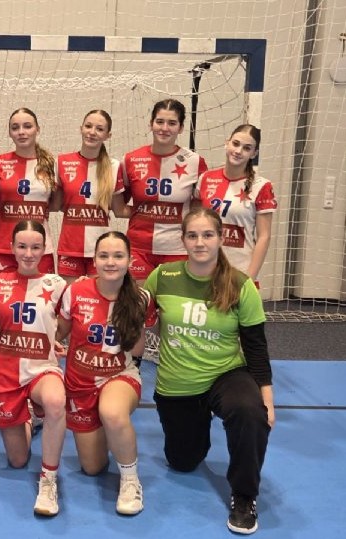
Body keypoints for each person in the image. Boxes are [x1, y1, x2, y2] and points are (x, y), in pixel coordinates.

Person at [143, 207, 274, 535]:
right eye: (192, 235)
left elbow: (256, 347)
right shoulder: (163, 276)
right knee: (183, 462)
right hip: (178, 382)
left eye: (207, 235)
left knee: (249, 413)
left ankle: (244, 496)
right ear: (183, 239)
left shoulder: (240, 285)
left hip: (225, 374)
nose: (200, 242)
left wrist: (267, 400)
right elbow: (136, 318)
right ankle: (198, 419)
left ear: (220, 238)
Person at [56, 231, 155, 516]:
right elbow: (60, 332)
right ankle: (110, 430)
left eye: (118, 256)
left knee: (112, 411)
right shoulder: (75, 291)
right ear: (94, 260)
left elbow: (137, 349)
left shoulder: (141, 298)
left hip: (119, 375)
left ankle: (131, 480)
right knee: (92, 467)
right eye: (104, 256)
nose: (111, 262)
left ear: (129, 261)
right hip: (79, 383)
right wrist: (49, 342)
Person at [0, 220, 67, 516]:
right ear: (11, 248)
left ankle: (48, 480)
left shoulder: (57, 284)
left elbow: (67, 323)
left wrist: (52, 339)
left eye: (36, 247)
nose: (29, 253)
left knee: (56, 402)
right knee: (18, 460)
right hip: (6, 373)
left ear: (45, 248)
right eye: (22, 246)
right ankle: (30, 418)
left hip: (42, 368)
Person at [112, 98, 208, 283]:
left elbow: (198, 212)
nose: (164, 128)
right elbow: (119, 209)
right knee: (139, 300)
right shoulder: (130, 159)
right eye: (160, 121)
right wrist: (145, 212)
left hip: (177, 249)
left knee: (170, 301)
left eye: (172, 123)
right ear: (151, 124)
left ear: (181, 128)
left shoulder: (195, 162)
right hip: (139, 249)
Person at [194, 124, 277, 281]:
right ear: (227, 143)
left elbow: (264, 237)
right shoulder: (206, 178)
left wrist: (249, 278)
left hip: (239, 270)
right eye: (236, 144)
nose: (238, 151)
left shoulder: (262, 186)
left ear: (254, 153)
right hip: (204, 268)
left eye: (247, 148)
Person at [54, 110, 119, 284]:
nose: (92, 132)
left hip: (101, 249)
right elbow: (56, 204)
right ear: (81, 128)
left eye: (99, 129)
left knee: (97, 298)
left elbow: (119, 209)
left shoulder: (114, 166)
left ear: (108, 135)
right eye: (88, 126)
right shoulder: (62, 162)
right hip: (69, 248)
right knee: (69, 298)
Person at [0, 108, 56, 274]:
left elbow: (57, 203)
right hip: (4, 247)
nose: (21, 132)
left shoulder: (52, 164)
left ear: (37, 129)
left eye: (27, 126)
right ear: (9, 132)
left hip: (39, 248)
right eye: (15, 127)